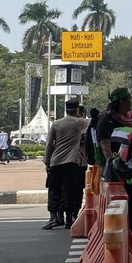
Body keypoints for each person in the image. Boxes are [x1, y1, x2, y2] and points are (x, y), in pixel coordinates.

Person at [95, 87, 132, 229]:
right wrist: (114, 165)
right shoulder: (105, 120)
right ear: (121, 102)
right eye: (129, 99)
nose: (131, 102)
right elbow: (105, 147)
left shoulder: (131, 118)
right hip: (117, 171)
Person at [42, 98, 89, 230]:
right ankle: (69, 219)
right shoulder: (80, 123)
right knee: (69, 190)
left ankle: (53, 217)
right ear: (77, 110)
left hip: (55, 161)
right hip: (71, 162)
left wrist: (47, 161)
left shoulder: (56, 124)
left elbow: (49, 144)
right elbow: (93, 123)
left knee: (53, 189)